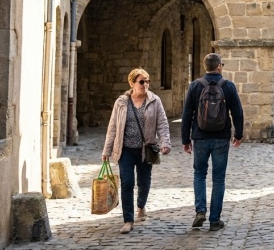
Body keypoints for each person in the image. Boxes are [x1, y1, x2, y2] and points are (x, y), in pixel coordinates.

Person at [102, 68, 172, 234]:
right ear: (132, 83)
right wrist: (107, 150)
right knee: (127, 183)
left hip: (146, 149)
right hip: (125, 149)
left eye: (147, 81)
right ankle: (128, 220)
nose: (145, 85)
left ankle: (141, 205)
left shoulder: (155, 101)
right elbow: (112, 127)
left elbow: (162, 124)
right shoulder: (121, 102)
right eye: (141, 81)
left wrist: (165, 143)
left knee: (144, 183)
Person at [181, 53, 244, 231]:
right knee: (218, 178)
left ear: (205, 67)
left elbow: (187, 114)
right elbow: (237, 112)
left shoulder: (195, 86)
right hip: (221, 138)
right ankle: (215, 220)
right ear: (219, 67)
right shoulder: (228, 86)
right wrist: (238, 134)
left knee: (199, 174)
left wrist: (186, 139)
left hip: (200, 137)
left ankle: (200, 210)